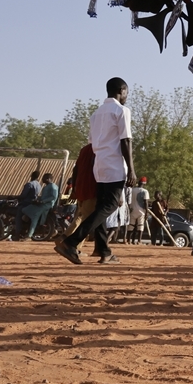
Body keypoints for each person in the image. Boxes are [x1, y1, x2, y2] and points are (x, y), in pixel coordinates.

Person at [56, 78, 136, 265]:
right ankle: (71, 242)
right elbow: (126, 141)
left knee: (101, 207)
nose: (127, 96)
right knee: (109, 206)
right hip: (114, 165)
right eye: (127, 92)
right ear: (121, 90)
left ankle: (104, 251)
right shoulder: (122, 111)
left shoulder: (96, 114)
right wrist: (131, 169)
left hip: (99, 166)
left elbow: (92, 142)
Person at [66, 145, 97, 241]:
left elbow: (75, 169)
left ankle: (65, 238)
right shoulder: (100, 149)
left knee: (79, 217)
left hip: (81, 188)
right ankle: (73, 244)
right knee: (86, 220)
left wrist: (75, 189)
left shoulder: (85, 149)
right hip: (91, 189)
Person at [22, 173, 59, 240]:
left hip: (46, 205)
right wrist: (37, 201)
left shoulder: (53, 186)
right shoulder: (46, 187)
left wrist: (42, 201)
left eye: (44, 178)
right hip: (42, 204)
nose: (42, 179)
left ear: (48, 179)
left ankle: (29, 235)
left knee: (35, 217)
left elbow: (53, 197)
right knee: (25, 209)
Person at [14, 170, 42, 240]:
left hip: (25, 203)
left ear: (32, 176)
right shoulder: (39, 185)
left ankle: (17, 233)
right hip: (33, 204)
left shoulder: (29, 184)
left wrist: (14, 197)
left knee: (18, 217)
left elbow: (23, 195)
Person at [128, 176, 150, 245]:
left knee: (131, 225)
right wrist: (146, 212)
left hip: (132, 210)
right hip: (141, 211)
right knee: (140, 226)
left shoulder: (132, 190)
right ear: (144, 183)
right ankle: (139, 241)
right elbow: (146, 202)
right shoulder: (145, 191)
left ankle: (129, 240)